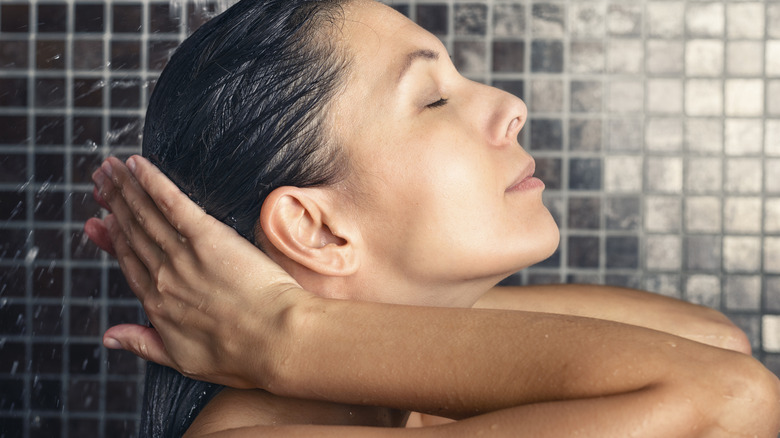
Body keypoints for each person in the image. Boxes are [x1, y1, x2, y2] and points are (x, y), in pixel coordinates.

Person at [85, 0, 780, 436]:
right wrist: (284, 332)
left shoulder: (393, 401)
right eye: (433, 100)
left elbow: (714, 344)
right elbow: (728, 401)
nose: (510, 106)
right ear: (318, 229)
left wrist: (297, 330)